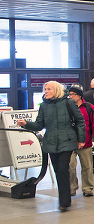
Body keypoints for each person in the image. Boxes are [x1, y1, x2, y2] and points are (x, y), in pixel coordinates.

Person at [17, 81, 84, 211]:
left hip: (67, 141)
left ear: (56, 90)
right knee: (58, 171)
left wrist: (81, 140)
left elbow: (80, 121)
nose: (46, 91)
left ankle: (64, 202)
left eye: (49, 89)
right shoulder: (43, 106)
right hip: (51, 142)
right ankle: (64, 199)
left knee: (62, 169)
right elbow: (39, 125)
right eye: (45, 89)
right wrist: (25, 124)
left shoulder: (69, 103)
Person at [68, 85, 94, 198]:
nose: (70, 97)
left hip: (86, 142)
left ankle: (87, 188)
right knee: (70, 166)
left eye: (72, 94)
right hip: (70, 143)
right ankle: (71, 188)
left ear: (79, 96)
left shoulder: (89, 107)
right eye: (69, 94)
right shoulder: (66, 108)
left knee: (87, 166)